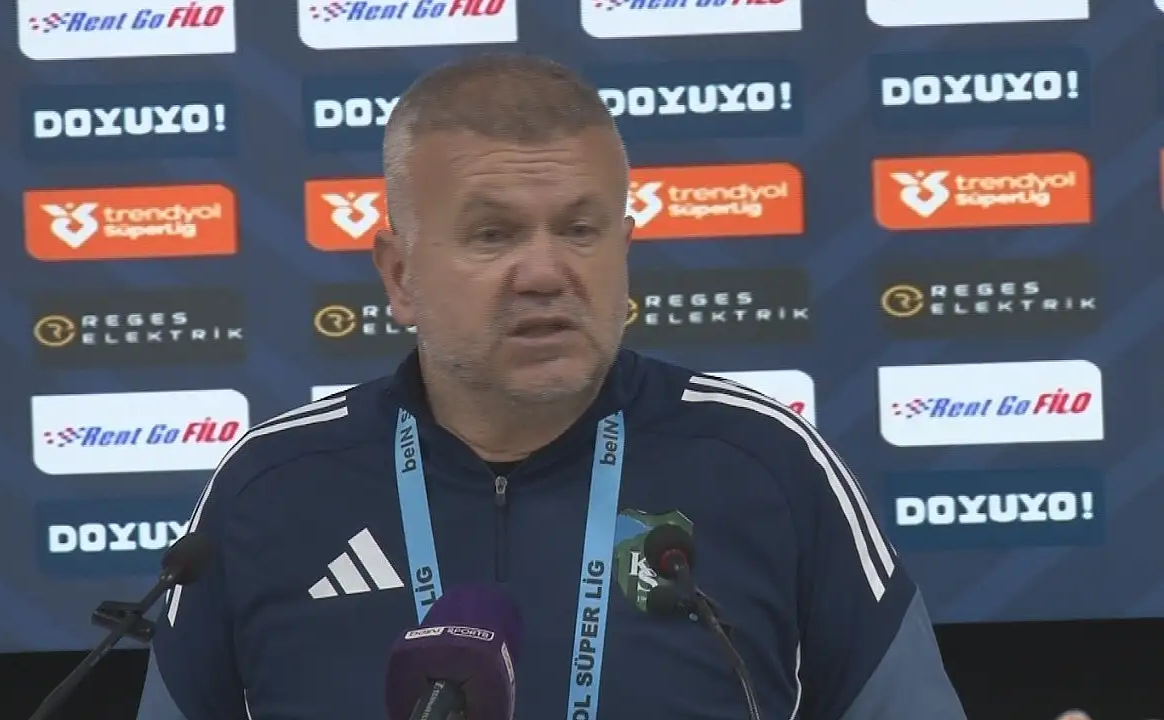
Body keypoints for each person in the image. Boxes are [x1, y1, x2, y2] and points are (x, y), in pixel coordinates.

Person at [137, 54, 966, 720]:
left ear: (624, 250)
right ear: (398, 274)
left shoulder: (766, 463)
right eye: (493, 234)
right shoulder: (270, 488)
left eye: (579, 229)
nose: (544, 272)